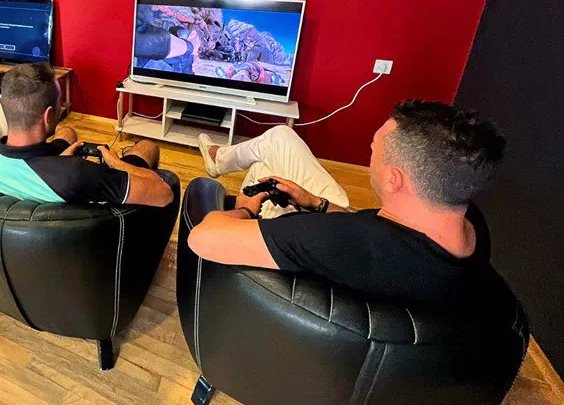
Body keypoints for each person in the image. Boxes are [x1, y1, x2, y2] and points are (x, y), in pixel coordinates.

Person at [190, 100, 506, 305]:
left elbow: (201, 238)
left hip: (307, 276)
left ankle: (218, 162)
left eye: (374, 149)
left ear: (393, 179)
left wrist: (245, 208)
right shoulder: (471, 226)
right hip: (357, 252)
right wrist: (318, 204)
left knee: (265, 164)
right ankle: (221, 160)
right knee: (278, 142)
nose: (371, 152)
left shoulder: (334, 238)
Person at [0, 63, 175, 207]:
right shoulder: (77, 173)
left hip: (43, 178)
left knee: (67, 133)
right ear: (48, 116)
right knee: (147, 148)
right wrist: (115, 163)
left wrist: (55, 161)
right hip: (89, 214)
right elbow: (164, 193)